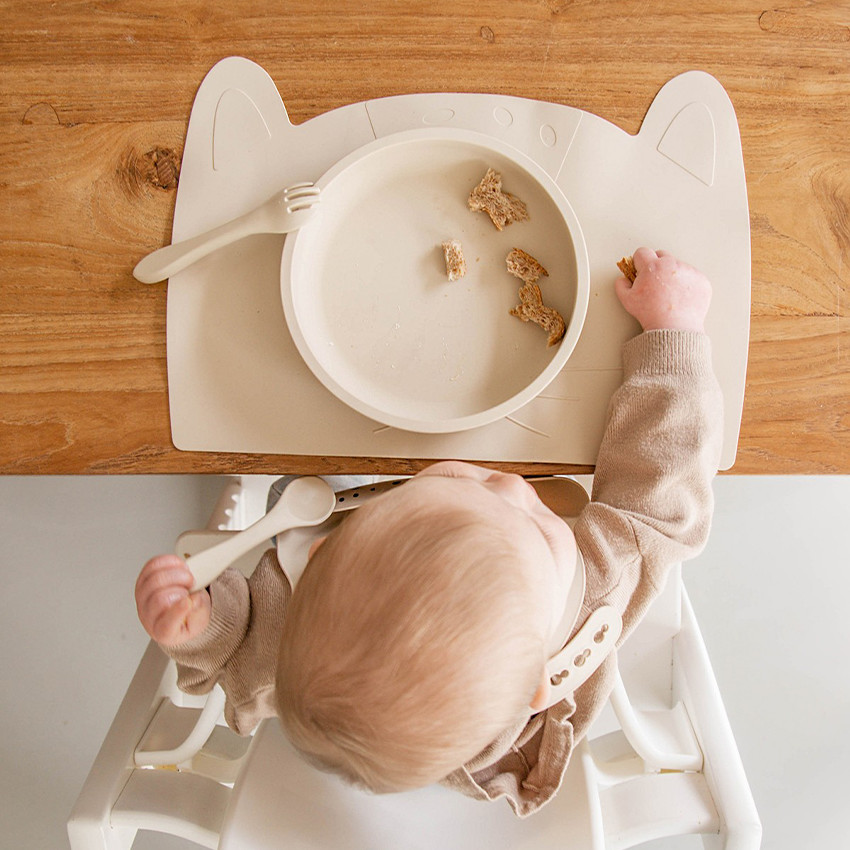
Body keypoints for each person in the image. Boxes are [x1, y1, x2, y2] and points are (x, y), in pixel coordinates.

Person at [135, 247, 722, 816]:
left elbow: (243, 667)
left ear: (323, 553)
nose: (517, 488)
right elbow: (661, 486)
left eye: (473, 484)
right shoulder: (596, 585)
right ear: (536, 689)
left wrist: (202, 630)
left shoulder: (311, 618)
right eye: (540, 531)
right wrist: (674, 332)